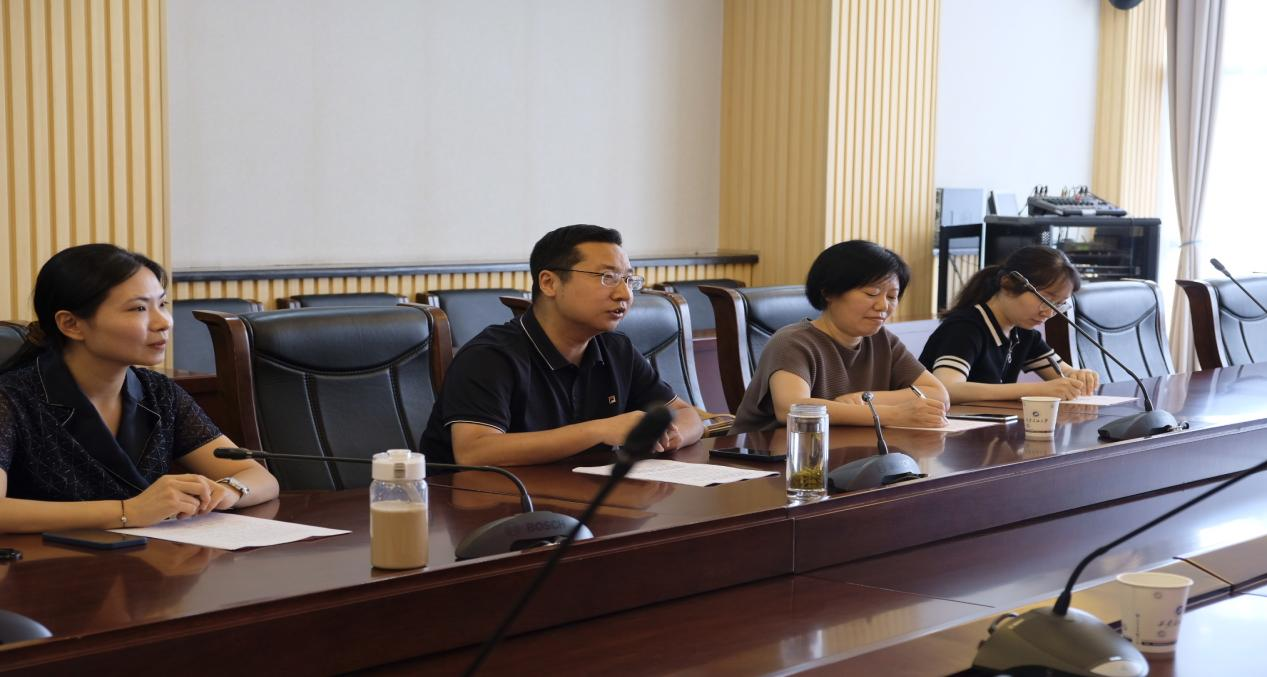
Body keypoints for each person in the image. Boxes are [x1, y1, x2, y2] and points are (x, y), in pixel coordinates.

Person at [0, 244, 279, 533]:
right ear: (71, 324)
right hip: (48, 559)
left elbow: (259, 477)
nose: (164, 322)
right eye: (139, 308)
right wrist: (127, 511)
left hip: (147, 556)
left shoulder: (159, 393)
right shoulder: (11, 398)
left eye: (162, 304)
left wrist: (227, 491)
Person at [420, 225, 703, 466]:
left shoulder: (616, 349)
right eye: (607, 278)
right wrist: (599, 430)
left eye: (629, 280)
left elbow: (687, 415)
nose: (624, 294)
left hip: (582, 497)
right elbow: (474, 452)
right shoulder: (489, 356)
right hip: (485, 505)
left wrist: (670, 434)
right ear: (549, 283)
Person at [732, 240, 949, 433]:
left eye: (892, 296)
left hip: (842, 452)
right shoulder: (792, 342)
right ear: (829, 292)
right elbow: (793, 407)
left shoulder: (883, 340)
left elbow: (938, 393)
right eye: (871, 293)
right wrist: (893, 414)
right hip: (771, 456)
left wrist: (863, 398)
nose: (883, 306)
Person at [919, 246, 1100, 403]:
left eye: (1058, 305)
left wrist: (1079, 376)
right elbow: (947, 388)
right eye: (1045, 299)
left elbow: (1064, 374)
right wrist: (1036, 390)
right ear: (1008, 283)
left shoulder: (1023, 332)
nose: (1049, 312)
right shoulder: (965, 327)